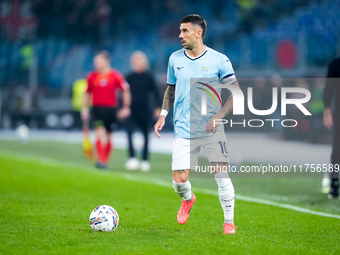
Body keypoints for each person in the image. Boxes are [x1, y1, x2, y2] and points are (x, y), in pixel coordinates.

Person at [154, 14, 239, 234]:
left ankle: (228, 222)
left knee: (221, 174)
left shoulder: (220, 60)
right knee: (179, 180)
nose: (180, 35)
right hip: (183, 128)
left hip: (212, 129)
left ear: (198, 33)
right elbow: (170, 88)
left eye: (185, 31)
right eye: (180, 31)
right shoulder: (175, 59)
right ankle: (188, 199)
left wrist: (219, 115)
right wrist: (163, 114)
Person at [82, 51, 131, 169]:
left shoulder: (115, 75)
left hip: (111, 109)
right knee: (99, 132)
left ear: (106, 62)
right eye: (95, 62)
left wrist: (126, 107)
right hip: (97, 109)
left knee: (109, 135)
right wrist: (84, 109)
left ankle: (105, 160)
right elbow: (87, 94)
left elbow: (125, 90)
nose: (96, 64)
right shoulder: (91, 76)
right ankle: (101, 160)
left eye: (99, 61)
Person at [124, 51, 161, 171]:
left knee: (146, 135)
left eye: (138, 61)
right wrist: (124, 107)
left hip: (145, 109)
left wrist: (157, 108)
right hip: (131, 110)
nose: (136, 63)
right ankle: (132, 158)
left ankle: (145, 160)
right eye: (134, 61)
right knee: (129, 133)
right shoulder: (129, 77)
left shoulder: (149, 77)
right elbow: (124, 94)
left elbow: (156, 93)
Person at [323, 57, 340, 198]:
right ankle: (334, 184)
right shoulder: (335, 65)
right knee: (337, 149)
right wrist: (327, 111)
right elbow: (329, 89)